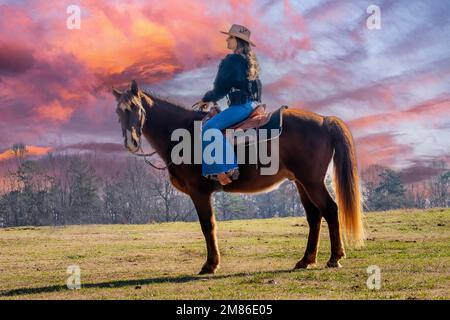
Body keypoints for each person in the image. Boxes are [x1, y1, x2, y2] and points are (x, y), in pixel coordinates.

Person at [195, 24, 262, 186]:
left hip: (240, 107)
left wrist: (206, 99)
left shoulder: (231, 61)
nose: (227, 39)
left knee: (209, 128)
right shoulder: (249, 61)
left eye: (230, 37)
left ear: (237, 41)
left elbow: (220, 88)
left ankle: (229, 168)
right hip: (251, 105)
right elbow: (257, 90)